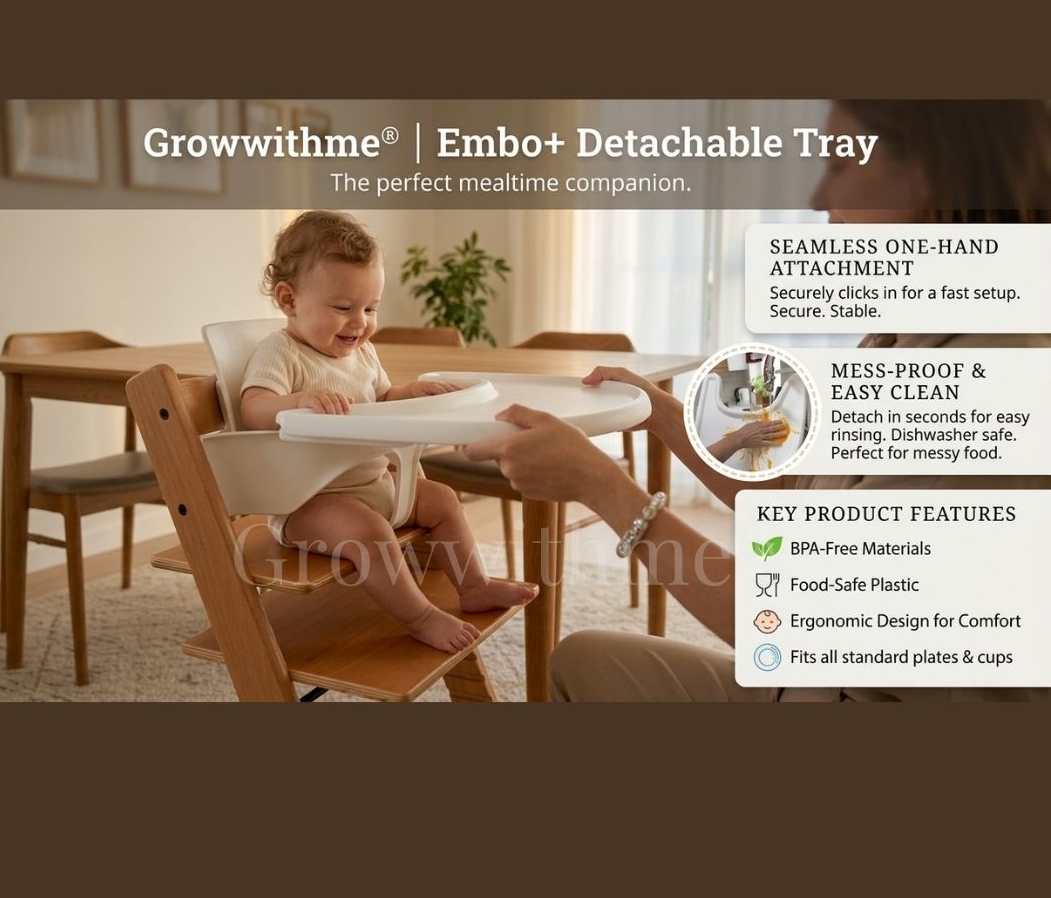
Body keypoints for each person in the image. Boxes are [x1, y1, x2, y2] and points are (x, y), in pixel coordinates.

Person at [465, 101, 1051, 701]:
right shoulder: (906, 333)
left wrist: (603, 487)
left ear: (935, 172)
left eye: (842, 162)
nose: (819, 197)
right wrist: (660, 414)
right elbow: (793, 491)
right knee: (583, 661)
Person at [241, 210, 536, 653]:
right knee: (371, 534)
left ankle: (474, 585)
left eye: (370, 308)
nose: (359, 322)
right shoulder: (281, 352)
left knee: (441, 498)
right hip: (309, 503)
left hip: (378, 485)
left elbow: (382, 399)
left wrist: (411, 392)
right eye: (343, 308)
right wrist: (296, 402)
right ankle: (419, 616)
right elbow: (253, 407)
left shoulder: (363, 354)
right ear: (288, 300)